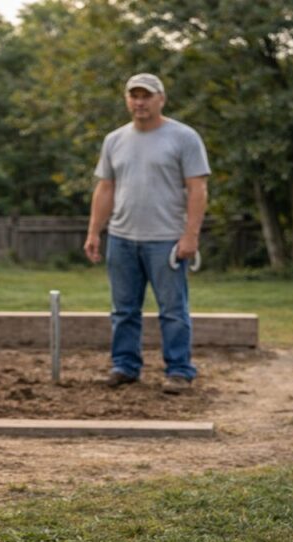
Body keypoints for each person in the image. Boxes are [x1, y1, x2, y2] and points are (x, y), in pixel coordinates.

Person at [83, 72, 210, 395]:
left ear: (161, 99)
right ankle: (124, 366)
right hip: (122, 238)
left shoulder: (183, 137)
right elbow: (105, 188)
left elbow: (197, 189)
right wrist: (94, 232)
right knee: (123, 310)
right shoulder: (115, 140)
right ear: (127, 100)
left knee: (172, 310)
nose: (140, 102)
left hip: (166, 239)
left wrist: (190, 236)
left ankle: (179, 370)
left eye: (146, 96)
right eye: (134, 96)